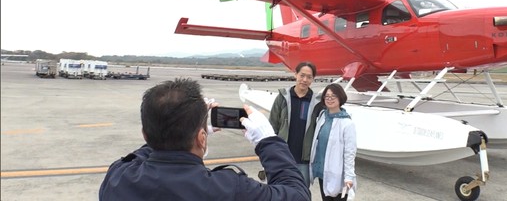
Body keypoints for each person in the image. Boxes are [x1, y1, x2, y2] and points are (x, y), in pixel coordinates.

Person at [99, 78, 311, 201]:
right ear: (202, 138)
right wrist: (268, 141)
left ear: (145, 134)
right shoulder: (229, 189)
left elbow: (151, 143)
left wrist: (187, 128)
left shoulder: (118, 177)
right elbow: (298, 195)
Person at [269, 61, 322, 187]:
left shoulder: (317, 102)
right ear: (295, 75)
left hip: (304, 160)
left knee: (301, 193)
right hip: (283, 157)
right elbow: (272, 126)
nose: (304, 80)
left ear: (313, 79)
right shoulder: (282, 97)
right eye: (302, 75)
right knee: (280, 191)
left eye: (309, 77)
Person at [310, 83, 357, 201]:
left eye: (333, 96)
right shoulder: (322, 116)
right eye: (327, 96)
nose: (330, 99)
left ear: (340, 98)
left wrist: (349, 177)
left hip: (337, 174)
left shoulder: (347, 123)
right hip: (322, 172)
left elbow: (349, 153)